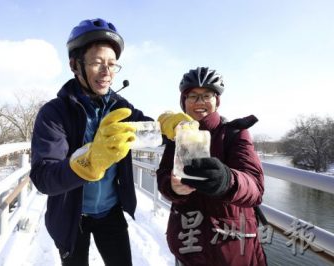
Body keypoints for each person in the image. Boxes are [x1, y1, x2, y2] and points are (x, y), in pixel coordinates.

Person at [30, 18, 152, 266]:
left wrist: (173, 125)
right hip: (71, 216)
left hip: (111, 212)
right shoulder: (54, 113)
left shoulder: (120, 107)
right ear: (75, 65)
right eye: (97, 63)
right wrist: (86, 163)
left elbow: (149, 130)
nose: (107, 72)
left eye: (112, 64)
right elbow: (43, 176)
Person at [156, 67, 267, 265]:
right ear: (184, 101)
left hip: (231, 250)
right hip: (188, 245)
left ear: (217, 100)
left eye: (206, 95)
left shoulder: (234, 134)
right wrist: (173, 187)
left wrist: (228, 180)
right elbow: (163, 175)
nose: (199, 102)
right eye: (192, 96)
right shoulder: (176, 137)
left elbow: (255, 187)